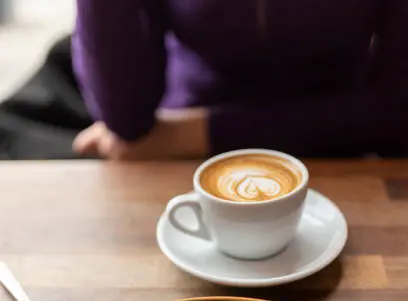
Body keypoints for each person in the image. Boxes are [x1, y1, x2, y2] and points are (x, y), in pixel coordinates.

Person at [72, 0, 408, 161]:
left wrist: (196, 133)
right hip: (175, 148)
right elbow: (127, 121)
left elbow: (397, 113)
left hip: (341, 154)